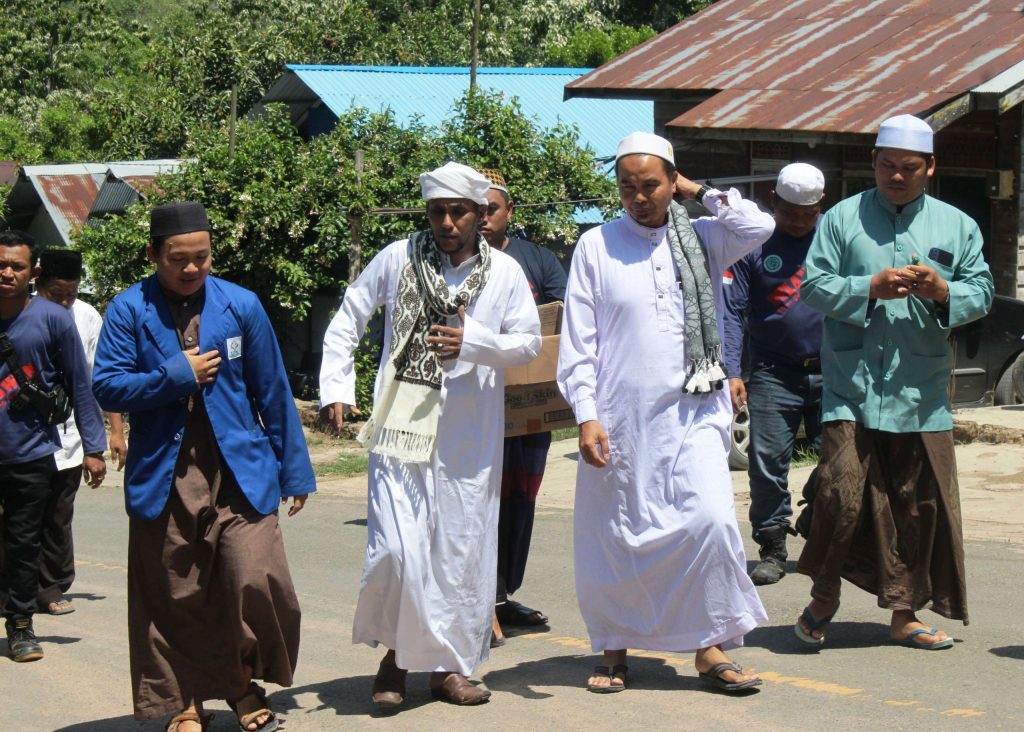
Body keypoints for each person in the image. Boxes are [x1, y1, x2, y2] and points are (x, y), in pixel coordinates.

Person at [557, 132, 772, 695]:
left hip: (696, 412)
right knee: (618, 535)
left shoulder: (706, 237)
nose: (638, 197)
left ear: (672, 181)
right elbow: (579, 343)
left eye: (650, 184)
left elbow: (759, 226)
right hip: (621, 415)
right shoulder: (596, 245)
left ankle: (710, 646)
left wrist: (700, 192)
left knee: (711, 522)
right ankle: (613, 648)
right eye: (627, 187)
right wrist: (586, 413)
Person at [319, 162, 541, 708]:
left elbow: (528, 343)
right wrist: (335, 387)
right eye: (437, 211)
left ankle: (449, 668)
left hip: (469, 435)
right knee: (397, 550)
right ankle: (395, 657)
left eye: (458, 211)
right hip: (401, 427)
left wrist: (473, 342)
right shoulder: (397, 257)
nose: (446, 222)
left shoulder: (507, 273)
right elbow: (351, 316)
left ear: (481, 215)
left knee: (459, 552)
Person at [92, 202, 315, 732]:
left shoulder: (242, 306)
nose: (191, 270)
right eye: (178, 260)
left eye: (203, 258)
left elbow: (273, 391)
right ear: (153, 255)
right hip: (166, 474)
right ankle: (184, 700)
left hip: (240, 470)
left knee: (256, 577)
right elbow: (108, 385)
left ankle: (240, 679)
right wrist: (175, 374)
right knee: (175, 593)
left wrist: (295, 470)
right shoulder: (128, 310)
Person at [795, 114, 993, 651]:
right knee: (842, 495)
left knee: (917, 504)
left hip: (921, 391)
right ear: (874, 164)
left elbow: (982, 293)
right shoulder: (841, 218)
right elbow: (813, 286)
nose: (897, 177)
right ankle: (823, 597)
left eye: (909, 168)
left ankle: (905, 615)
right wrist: (869, 286)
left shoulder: (958, 225)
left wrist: (942, 290)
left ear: (931, 167)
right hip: (851, 387)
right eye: (887, 166)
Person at [0, 230, 106, 663]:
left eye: (17, 266)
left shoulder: (53, 319)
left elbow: (80, 386)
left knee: (24, 542)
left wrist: (95, 447)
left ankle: (21, 625)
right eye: (1, 264)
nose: (7, 272)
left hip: (29, 451)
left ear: (32, 272)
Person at [722, 163, 826, 586]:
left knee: (844, 457)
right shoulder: (754, 245)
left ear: (822, 207)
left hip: (834, 369)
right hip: (771, 372)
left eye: (809, 213)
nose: (800, 221)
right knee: (766, 463)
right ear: (772, 200)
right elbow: (732, 311)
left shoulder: (834, 243)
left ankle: (815, 516)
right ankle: (772, 546)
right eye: (791, 212)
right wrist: (732, 371)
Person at [477, 168, 567, 645]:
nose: (485, 218)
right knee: (480, 501)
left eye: (493, 209)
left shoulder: (537, 260)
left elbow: (561, 314)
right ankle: (479, 597)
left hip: (527, 408)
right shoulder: (459, 263)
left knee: (520, 501)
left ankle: (503, 593)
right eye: (479, 209)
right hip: (476, 406)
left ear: (510, 211)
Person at [33, 248, 127, 616]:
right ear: (38, 281)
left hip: (70, 438)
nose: (65, 301)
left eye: (71, 293)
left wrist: (109, 437)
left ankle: (51, 587)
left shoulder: (87, 317)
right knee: (18, 516)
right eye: (58, 293)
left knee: (58, 516)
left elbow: (99, 383)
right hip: (22, 439)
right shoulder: (20, 313)